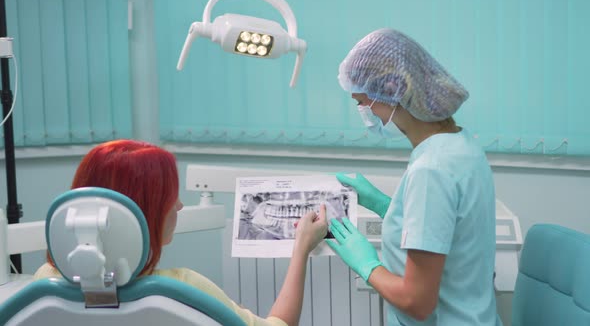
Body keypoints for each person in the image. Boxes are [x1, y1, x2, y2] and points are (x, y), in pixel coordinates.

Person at [34, 139, 328, 326]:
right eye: (168, 198)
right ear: (144, 211)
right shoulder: (181, 290)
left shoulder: (45, 285)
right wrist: (300, 250)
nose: (179, 204)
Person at [325, 29, 501, 325]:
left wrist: (367, 265)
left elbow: (416, 302)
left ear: (393, 89)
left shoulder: (431, 169)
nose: (363, 113)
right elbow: (448, 222)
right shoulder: (460, 144)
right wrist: (386, 206)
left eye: (362, 102)